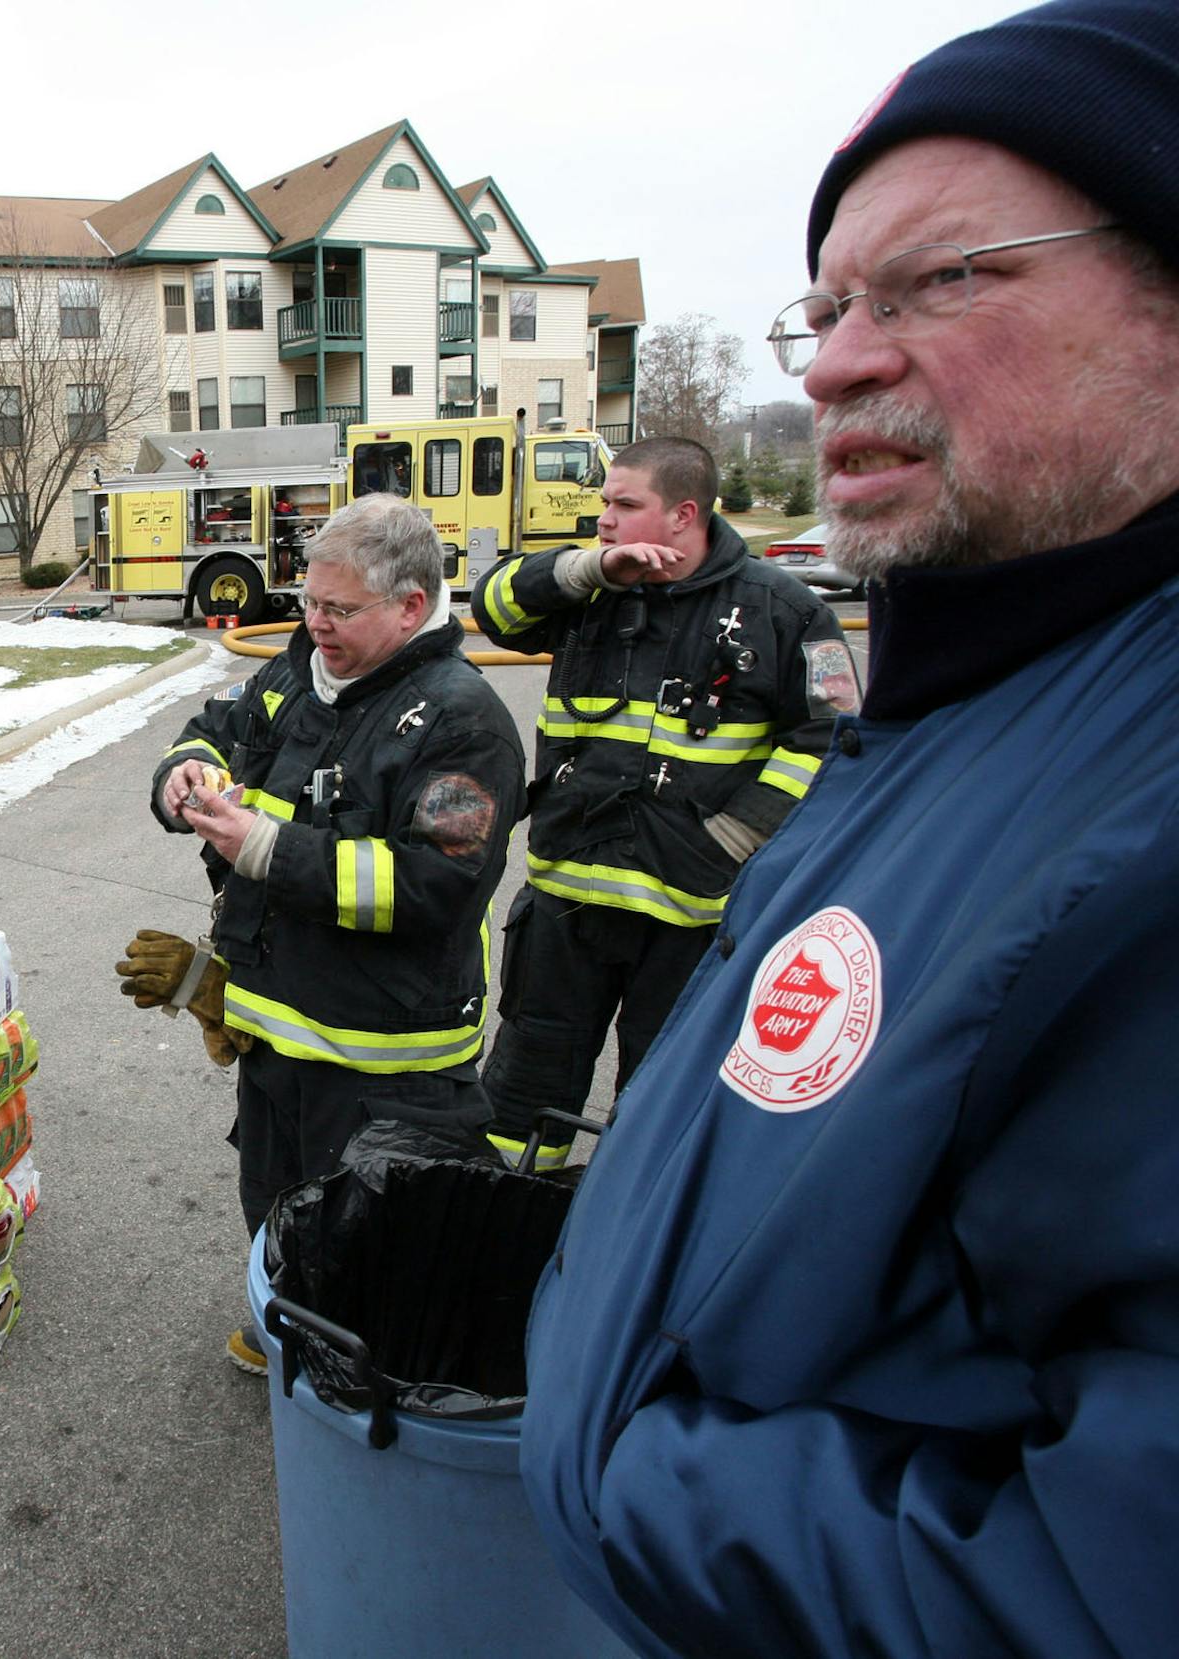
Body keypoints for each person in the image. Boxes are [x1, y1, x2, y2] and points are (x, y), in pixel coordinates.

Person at [520, 3, 1179, 1653]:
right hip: (565, 923)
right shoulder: (971, 685)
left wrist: (632, 1468)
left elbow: (1106, 1571)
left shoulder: (1109, 783)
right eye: (821, 305)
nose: (831, 362)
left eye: (945, 279)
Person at [144, 492, 523, 1374]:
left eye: (338, 609)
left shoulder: (461, 720)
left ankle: (362, 1386)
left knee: (373, 1237)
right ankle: (294, 1325)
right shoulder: (293, 675)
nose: (314, 623)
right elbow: (213, 728)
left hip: (383, 1060)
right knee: (276, 1202)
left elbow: (439, 883)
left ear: (412, 607)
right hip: (278, 1035)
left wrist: (272, 850)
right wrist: (182, 772)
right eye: (309, 601)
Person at [471, 437, 851, 1168]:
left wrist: (734, 840)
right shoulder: (590, 588)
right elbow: (495, 608)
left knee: (663, 1109)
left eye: (624, 505)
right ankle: (502, 1236)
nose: (604, 518)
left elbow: (829, 743)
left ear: (683, 514)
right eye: (604, 503)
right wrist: (589, 569)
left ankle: (619, 1251)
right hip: (565, 905)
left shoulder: (783, 612)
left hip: (690, 917)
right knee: (517, 1105)